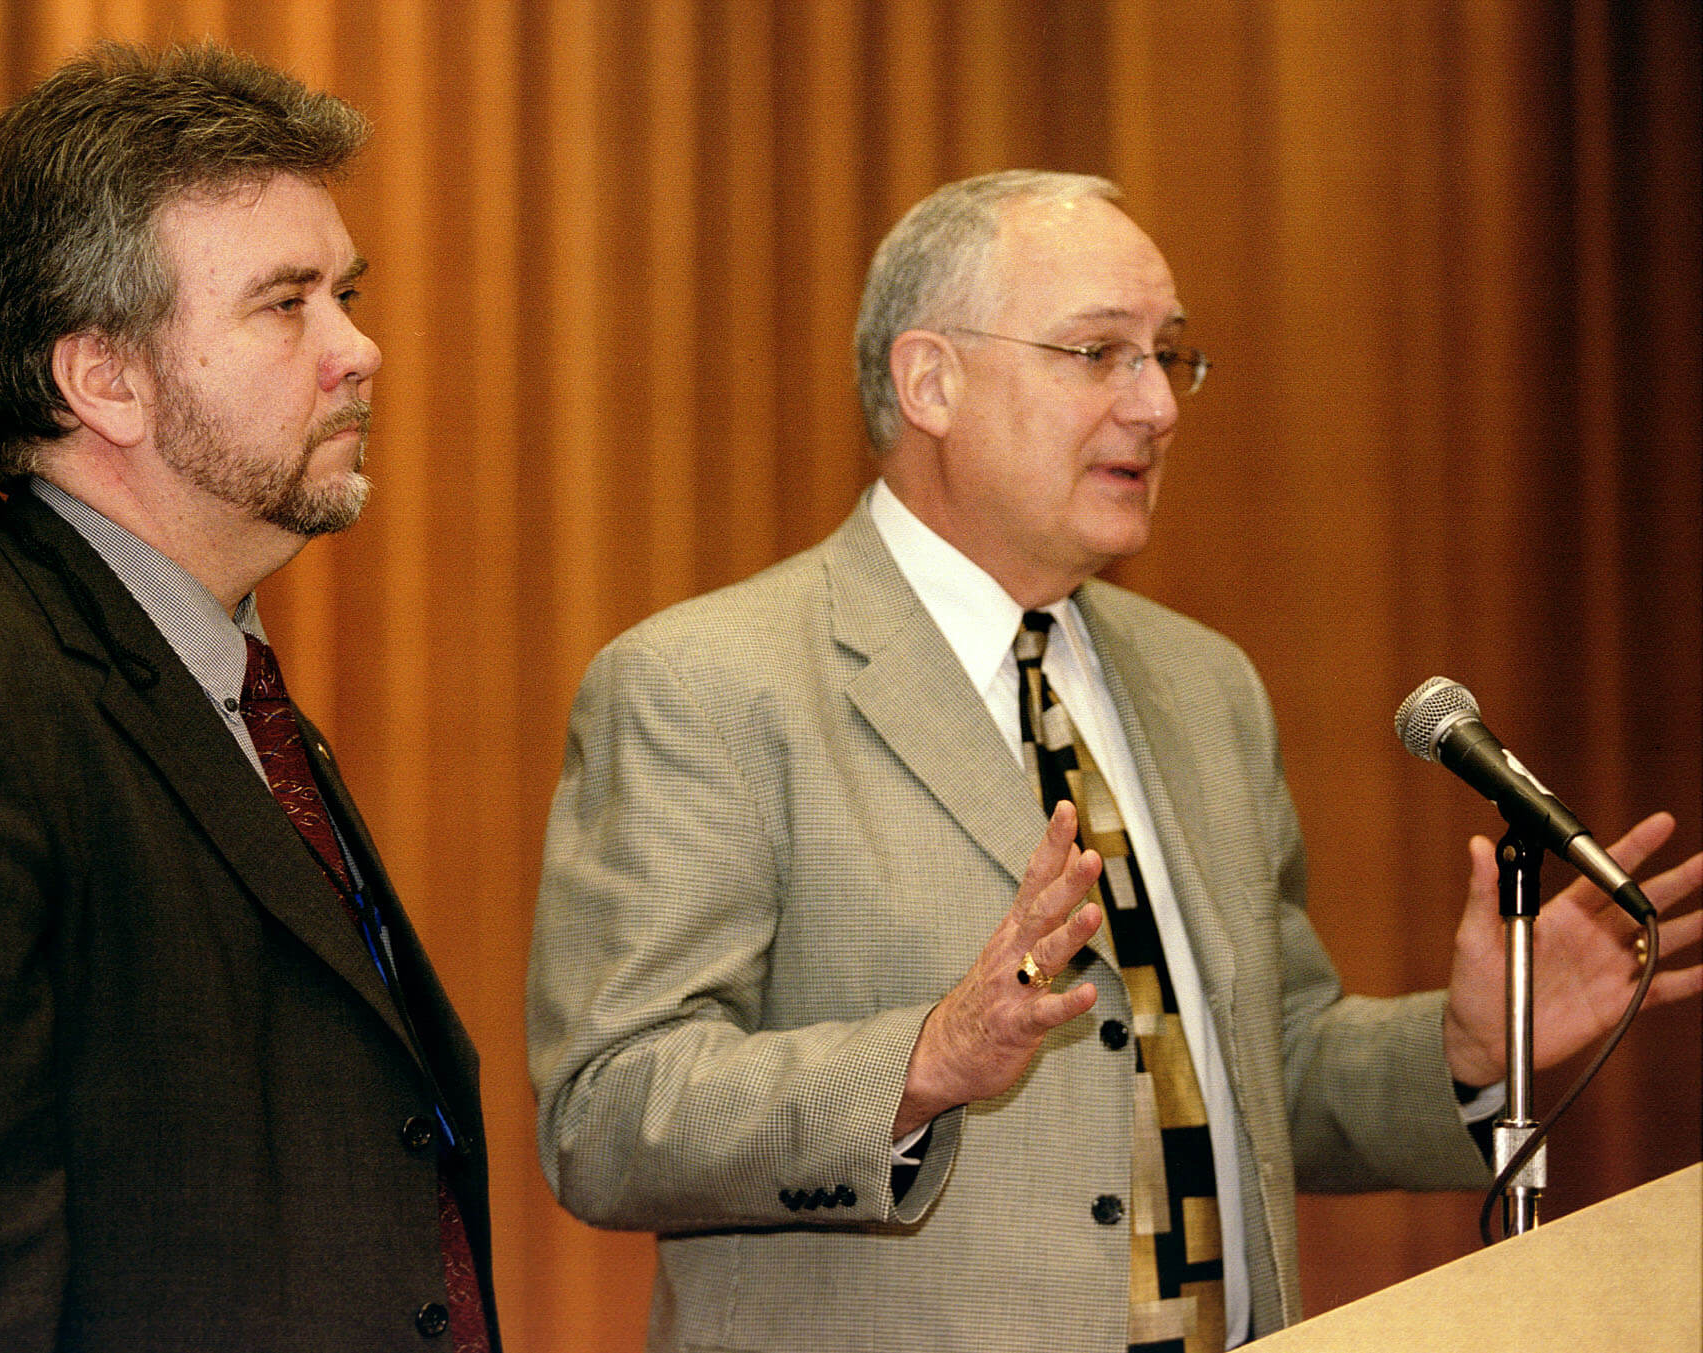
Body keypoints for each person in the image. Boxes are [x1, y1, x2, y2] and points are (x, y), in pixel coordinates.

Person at [525, 170, 1701, 1352]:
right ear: (928, 380)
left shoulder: (1201, 685)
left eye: (1167, 356)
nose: (1157, 407)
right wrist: (923, 1062)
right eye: (1097, 354)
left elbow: (1261, 1072)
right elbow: (610, 1112)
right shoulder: (710, 682)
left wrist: (1462, 1049)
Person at [0, 44, 496, 1352]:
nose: (359, 348)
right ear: (105, 380)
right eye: (286, 303)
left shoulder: (241, 703)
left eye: (347, 292)